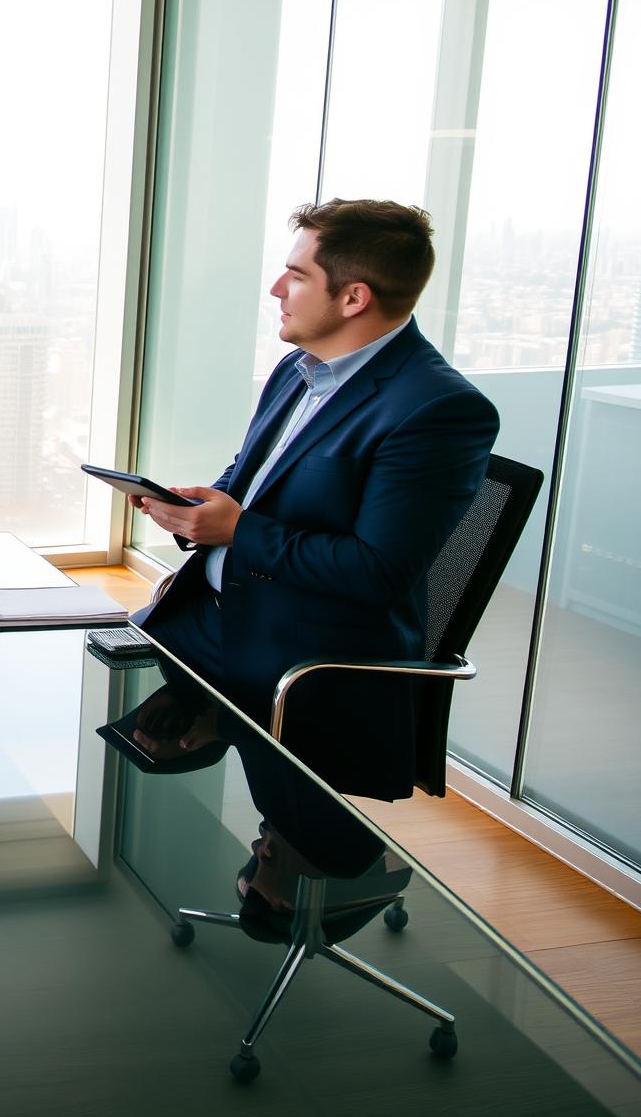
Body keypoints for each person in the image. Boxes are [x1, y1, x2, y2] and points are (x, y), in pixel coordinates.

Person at [130, 199, 500, 799]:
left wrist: (236, 531)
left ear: (354, 298)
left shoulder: (438, 410)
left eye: (298, 275)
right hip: (202, 623)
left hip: (299, 660)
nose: (277, 288)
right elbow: (248, 482)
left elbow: (378, 572)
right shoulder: (297, 370)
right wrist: (198, 512)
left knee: (305, 847)